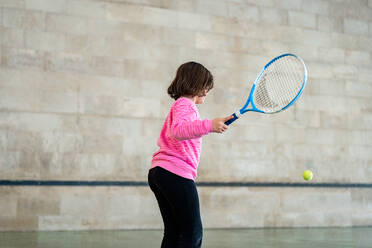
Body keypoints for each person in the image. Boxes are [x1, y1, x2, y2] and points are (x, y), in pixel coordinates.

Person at [148, 61, 233, 248]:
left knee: (174, 231)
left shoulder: (180, 105)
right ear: (197, 85)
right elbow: (179, 130)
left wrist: (213, 124)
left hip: (160, 172)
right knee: (192, 233)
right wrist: (209, 125)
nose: (208, 91)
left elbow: (185, 129)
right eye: (206, 86)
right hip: (175, 173)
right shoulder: (185, 104)